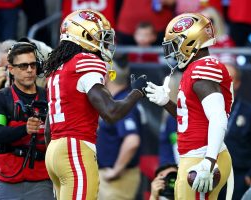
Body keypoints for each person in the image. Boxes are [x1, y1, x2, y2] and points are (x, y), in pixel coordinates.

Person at [44, 9, 147, 200]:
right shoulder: (85, 61)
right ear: (84, 35)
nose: (105, 43)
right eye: (101, 37)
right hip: (75, 148)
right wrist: (137, 92)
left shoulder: (59, 68)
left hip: (55, 150)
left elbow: (48, 129)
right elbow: (111, 112)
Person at [146, 13, 233, 199]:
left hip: (202, 156)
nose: (174, 50)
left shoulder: (202, 70)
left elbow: (218, 118)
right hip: (196, 155)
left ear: (190, 42)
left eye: (176, 43)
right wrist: (165, 102)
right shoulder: (194, 69)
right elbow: (191, 116)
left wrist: (209, 161)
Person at [0, 42, 54, 199]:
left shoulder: (50, 97)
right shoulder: (1, 98)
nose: (29, 70)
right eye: (23, 66)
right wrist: (25, 129)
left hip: (43, 180)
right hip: (8, 180)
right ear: (11, 69)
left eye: (33, 65)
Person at [219, 64, 251, 200]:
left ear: (237, 84)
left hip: (239, 177)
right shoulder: (202, 110)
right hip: (210, 175)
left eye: (228, 78)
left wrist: (250, 175)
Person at [97, 61, 145, 200]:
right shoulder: (122, 99)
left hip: (117, 180)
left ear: (107, 76)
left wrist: (116, 171)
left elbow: (132, 141)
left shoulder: (122, 102)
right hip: (112, 179)